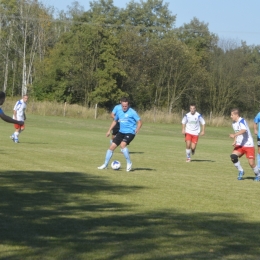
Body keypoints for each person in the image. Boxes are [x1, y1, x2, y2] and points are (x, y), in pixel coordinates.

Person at [98, 97, 142, 171]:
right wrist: (109, 130)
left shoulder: (132, 112)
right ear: (121, 104)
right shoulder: (119, 111)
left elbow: (140, 122)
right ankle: (105, 165)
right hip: (121, 132)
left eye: (126, 106)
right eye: (123, 106)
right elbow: (115, 121)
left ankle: (129, 163)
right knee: (111, 147)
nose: (124, 107)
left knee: (122, 145)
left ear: (128, 105)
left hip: (130, 132)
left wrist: (137, 128)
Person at [229, 108, 260, 181]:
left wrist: (234, 135)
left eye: (232, 115)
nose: (231, 116)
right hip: (240, 145)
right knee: (233, 156)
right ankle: (241, 171)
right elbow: (238, 133)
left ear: (236, 115)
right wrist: (235, 140)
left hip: (248, 145)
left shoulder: (242, 121)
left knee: (251, 163)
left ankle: (258, 175)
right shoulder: (234, 123)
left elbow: (243, 130)